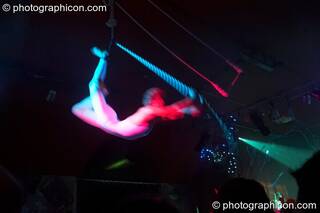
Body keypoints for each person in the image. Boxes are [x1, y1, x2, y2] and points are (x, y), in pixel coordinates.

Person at [72, 47, 201, 140]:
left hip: (109, 123)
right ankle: (103, 64)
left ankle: (103, 61)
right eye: (160, 98)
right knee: (85, 98)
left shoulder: (149, 112)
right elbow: (170, 112)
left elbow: (169, 112)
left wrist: (190, 102)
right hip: (111, 124)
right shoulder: (149, 112)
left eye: (161, 98)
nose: (162, 101)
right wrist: (190, 105)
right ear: (153, 100)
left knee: (80, 103)